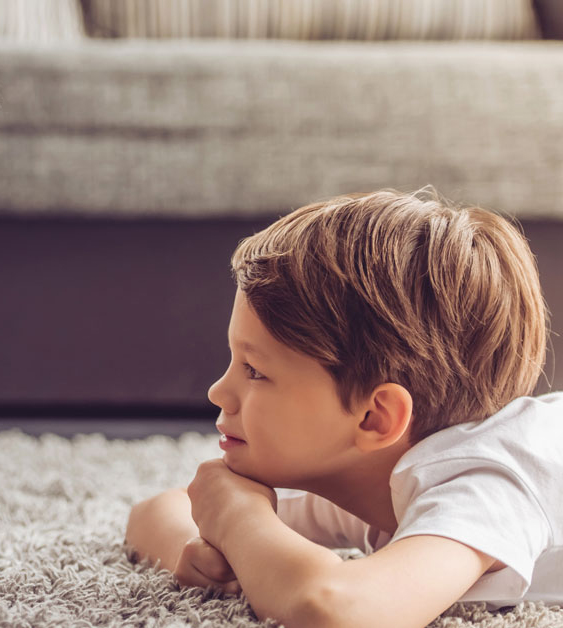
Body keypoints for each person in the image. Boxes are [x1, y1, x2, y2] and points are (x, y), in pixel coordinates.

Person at [125, 190, 563, 627]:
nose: (218, 391)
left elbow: (336, 612)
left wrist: (238, 520)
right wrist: (204, 547)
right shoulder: (364, 470)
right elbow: (154, 512)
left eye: (254, 371)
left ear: (375, 419)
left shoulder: (485, 480)